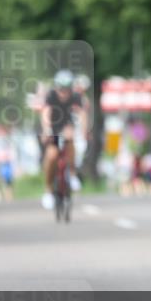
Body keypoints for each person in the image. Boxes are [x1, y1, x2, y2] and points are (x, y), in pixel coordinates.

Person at [40, 70, 87, 209]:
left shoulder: (76, 96)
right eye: (61, 89)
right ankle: (48, 191)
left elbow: (82, 114)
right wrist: (46, 130)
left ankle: (72, 174)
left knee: (69, 137)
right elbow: (46, 113)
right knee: (51, 155)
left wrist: (83, 131)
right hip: (53, 129)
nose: (64, 92)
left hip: (68, 127)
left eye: (66, 89)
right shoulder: (51, 96)